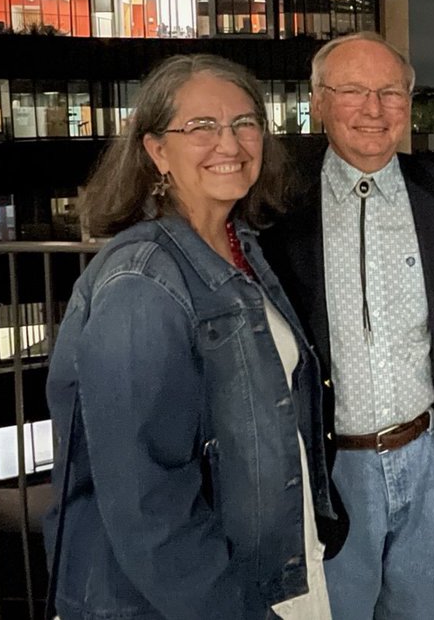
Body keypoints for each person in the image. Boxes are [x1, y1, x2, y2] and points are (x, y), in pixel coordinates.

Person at [45, 54, 332, 619]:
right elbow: (146, 501)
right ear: (156, 150)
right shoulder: (142, 281)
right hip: (192, 598)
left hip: (265, 572)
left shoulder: (240, 247)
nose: (229, 143)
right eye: (201, 127)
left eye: (244, 123)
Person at [261, 32, 434, 620]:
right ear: (319, 100)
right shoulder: (276, 203)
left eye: (389, 92)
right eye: (353, 91)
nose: (374, 109)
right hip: (328, 471)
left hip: (431, 460)